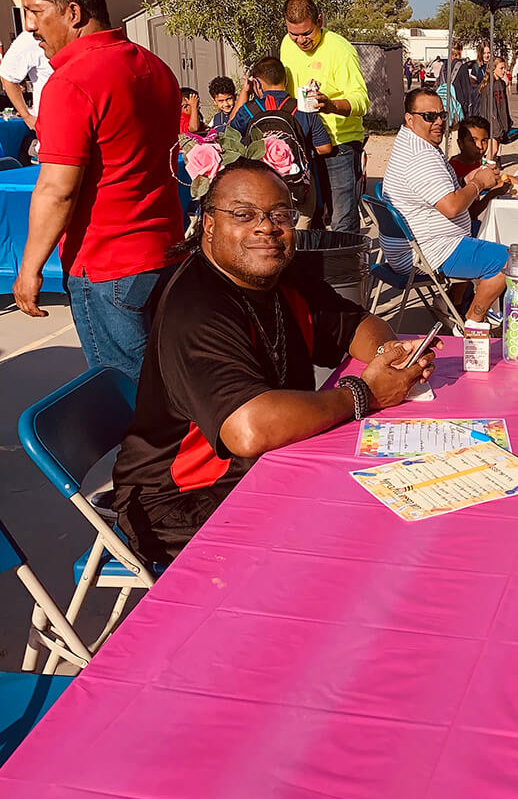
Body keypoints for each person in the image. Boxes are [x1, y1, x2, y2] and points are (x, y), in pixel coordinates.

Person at [111, 159, 435, 566]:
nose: (266, 228)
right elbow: (248, 430)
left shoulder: (282, 271)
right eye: (244, 215)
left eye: (280, 215)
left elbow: (356, 324)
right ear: (209, 224)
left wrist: (392, 359)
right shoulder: (195, 308)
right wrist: (365, 394)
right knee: (367, 529)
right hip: (182, 501)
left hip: (273, 464)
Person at [12, 0, 183, 381]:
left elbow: (57, 189)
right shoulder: (154, 67)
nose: (30, 26)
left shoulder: (71, 84)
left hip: (107, 268)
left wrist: (30, 268)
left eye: (35, 11)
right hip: (163, 252)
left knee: (127, 398)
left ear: (72, 12)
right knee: (165, 390)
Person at [383, 89, 510, 324]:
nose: (439, 122)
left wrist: (468, 181)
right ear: (409, 119)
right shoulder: (420, 155)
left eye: (441, 115)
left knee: (483, 234)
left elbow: (437, 192)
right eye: (429, 116)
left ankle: (451, 303)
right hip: (426, 252)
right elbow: (451, 207)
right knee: (510, 261)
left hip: (416, 245)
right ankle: (474, 321)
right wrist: (479, 183)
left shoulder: (412, 142)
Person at [279, 0, 369, 234]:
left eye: (307, 33)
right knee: (309, 216)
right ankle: (316, 269)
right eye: (294, 34)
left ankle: (346, 269)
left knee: (342, 218)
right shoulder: (286, 45)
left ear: (320, 20)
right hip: (305, 143)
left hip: (340, 145)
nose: (300, 41)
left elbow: (362, 101)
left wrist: (330, 105)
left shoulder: (340, 49)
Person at [228, 56, 331, 227]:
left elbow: (229, 133)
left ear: (257, 83)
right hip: (297, 186)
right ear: (286, 80)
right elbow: (325, 148)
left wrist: (245, 92)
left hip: (258, 186)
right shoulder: (303, 108)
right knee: (299, 237)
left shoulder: (248, 109)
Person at [0, 27, 53, 133]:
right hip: (50, 130)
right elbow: (7, 75)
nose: (28, 23)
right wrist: (26, 116)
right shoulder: (31, 38)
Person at [449, 116, 496, 193]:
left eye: (484, 140)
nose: (480, 146)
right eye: (473, 141)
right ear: (461, 143)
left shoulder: (476, 162)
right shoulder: (453, 169)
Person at [481, 57, 512, 143]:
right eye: (501, 68)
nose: (504, 71)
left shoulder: (501, 84)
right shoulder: (489, 86)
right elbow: (488, 108)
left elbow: (503, 106)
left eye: (504, 68)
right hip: (493, 123)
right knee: (492, 150)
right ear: (493, 69)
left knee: (495, 150)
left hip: (501, 121)